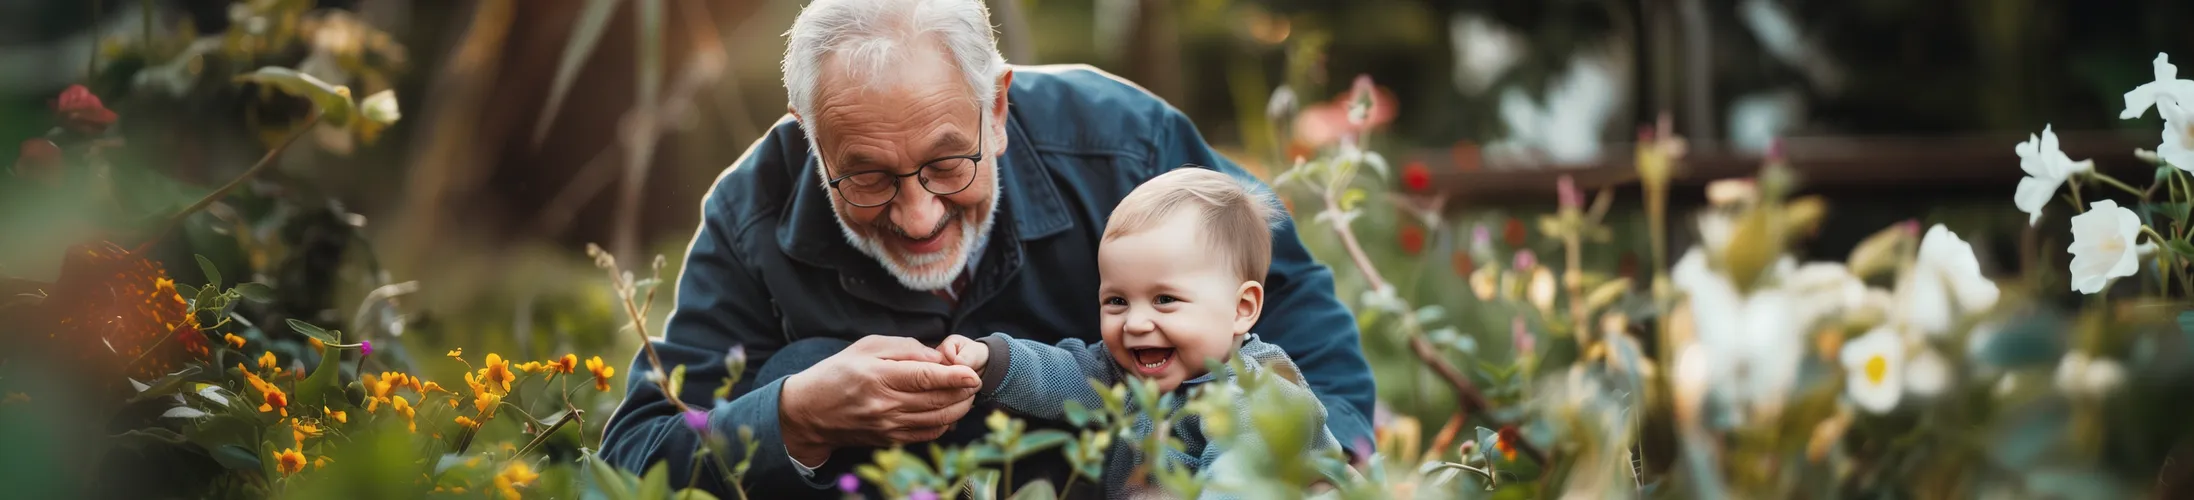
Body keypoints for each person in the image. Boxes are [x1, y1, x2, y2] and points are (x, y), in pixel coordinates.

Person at [598, 0, 1375, 496]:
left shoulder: (1129, 147)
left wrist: (1306, 465)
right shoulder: (750, 212)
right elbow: (634, 453)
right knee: (785, 376)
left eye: (947, 163)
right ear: (810, 140)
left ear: (997, 108)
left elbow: (1305, 336)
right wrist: (797, 417)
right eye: (864, 176)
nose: (917, 215)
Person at [935, 167, 1342, 498]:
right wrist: (988, 360)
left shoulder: (1256, 396)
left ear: (1242, 309)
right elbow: (1060, 373)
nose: (1135, 323)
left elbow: (1237, 479)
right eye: (1117, 301)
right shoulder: (1120, 374)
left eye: (1164, 299)